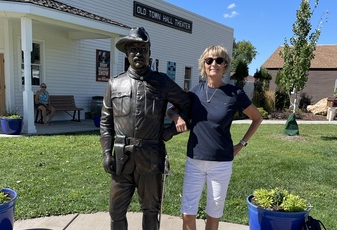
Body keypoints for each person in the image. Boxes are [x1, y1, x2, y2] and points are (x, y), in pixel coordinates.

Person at [100, 27, 191, 230]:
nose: (138, 54)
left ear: (150, 53)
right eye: (133, 49)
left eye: (143, 49)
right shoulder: (115, 84)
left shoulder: (162, 82)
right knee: (115, 211)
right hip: (122, 158)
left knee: (151, 210)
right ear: (127, 54)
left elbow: (187, 104)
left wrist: (171, 130)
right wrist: (107, 153)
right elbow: (106, 122)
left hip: (151, 157)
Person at [167, 45, 263, 230]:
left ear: (225, 66)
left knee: (213, 214)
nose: (214, 64)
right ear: (203, 64)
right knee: (187, 214)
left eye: (219, 60)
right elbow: (171, 109)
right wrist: (177, 117)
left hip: (221, 163)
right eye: (209, 60)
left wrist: (241, 144)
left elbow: (257, 118)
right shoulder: (195, 92)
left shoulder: (235, 94)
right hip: (194, 160)